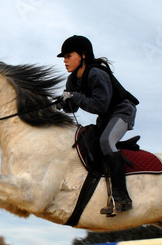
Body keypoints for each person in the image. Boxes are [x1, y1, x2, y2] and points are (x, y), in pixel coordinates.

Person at [57, 35, 139, 216]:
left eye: (69, 55)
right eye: (64, 57)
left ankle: (121, 198)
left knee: (106, 141)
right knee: (91, 142)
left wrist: (75, 97)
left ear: (83, 56)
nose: (65, 61)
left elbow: (99, 105)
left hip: (123, 111)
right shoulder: (72, 80)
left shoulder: (96, 73)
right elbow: (74, 107)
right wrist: (63, 104)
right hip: (106, 117)